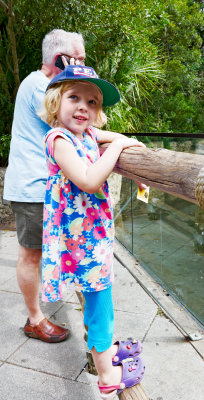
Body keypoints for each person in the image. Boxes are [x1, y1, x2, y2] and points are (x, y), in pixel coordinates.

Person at [40, 64, 146, 397]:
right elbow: (87, 179)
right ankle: (106, 374)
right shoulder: (59, 139)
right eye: (74, 97)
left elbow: (111, 136)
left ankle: (106, 353)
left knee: (100, 296)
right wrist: (117, 151)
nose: (84, 107)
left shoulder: (85, 134)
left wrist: (127, 143)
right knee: (101, 302)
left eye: (93, 102)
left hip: (92, 239)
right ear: (57, 103)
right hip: (80, 242)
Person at [3, 29, 86, 342]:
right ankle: (34, 319)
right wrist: (118, 141)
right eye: (76, 59)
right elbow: (78, 130)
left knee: (39, 253)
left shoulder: (49, 86)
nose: (81, 66)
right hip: (32, 186)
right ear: (58, 59)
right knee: (31, 256)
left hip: (42, 186)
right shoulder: (41, 85)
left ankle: (39, 311)